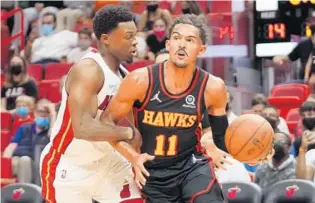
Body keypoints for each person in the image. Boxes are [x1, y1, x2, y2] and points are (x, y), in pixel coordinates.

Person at [102, 14, 273, 202]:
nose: (181, 44)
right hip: (153, 172)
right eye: (176, 38)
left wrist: (253, 150)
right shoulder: (139, 80)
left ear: (201, 49)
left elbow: (221, 138)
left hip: (192, 165)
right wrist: (133, 157)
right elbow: (106, 123)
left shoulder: (213, 87)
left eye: (190, 40)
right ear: (168, 45)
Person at [39, 6, 141, 203]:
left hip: (107, 162)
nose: (135, 42)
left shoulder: (124, 76)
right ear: (106, 39)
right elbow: (83, 127)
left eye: (135, 35)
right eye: (129, 36)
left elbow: (140, 121)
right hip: (69, 166)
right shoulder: (88, 70)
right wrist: (128, 133)